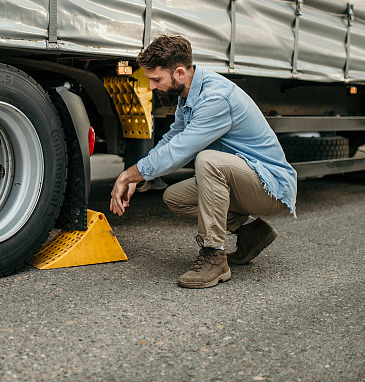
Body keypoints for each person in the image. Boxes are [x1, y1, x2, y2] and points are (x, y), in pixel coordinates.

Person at [110, 35, 297, 289]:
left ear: (178, 72)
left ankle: (214, 257)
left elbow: (182, 149)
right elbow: (171, 138)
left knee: (207, 160)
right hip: (244, 179)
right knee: (174, 197)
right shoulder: (186, 96)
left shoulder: (215, 97)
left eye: (156, 80)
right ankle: (251, 231)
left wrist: (128, 176)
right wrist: (138, 174)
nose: (152, 87)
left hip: (270, 186)